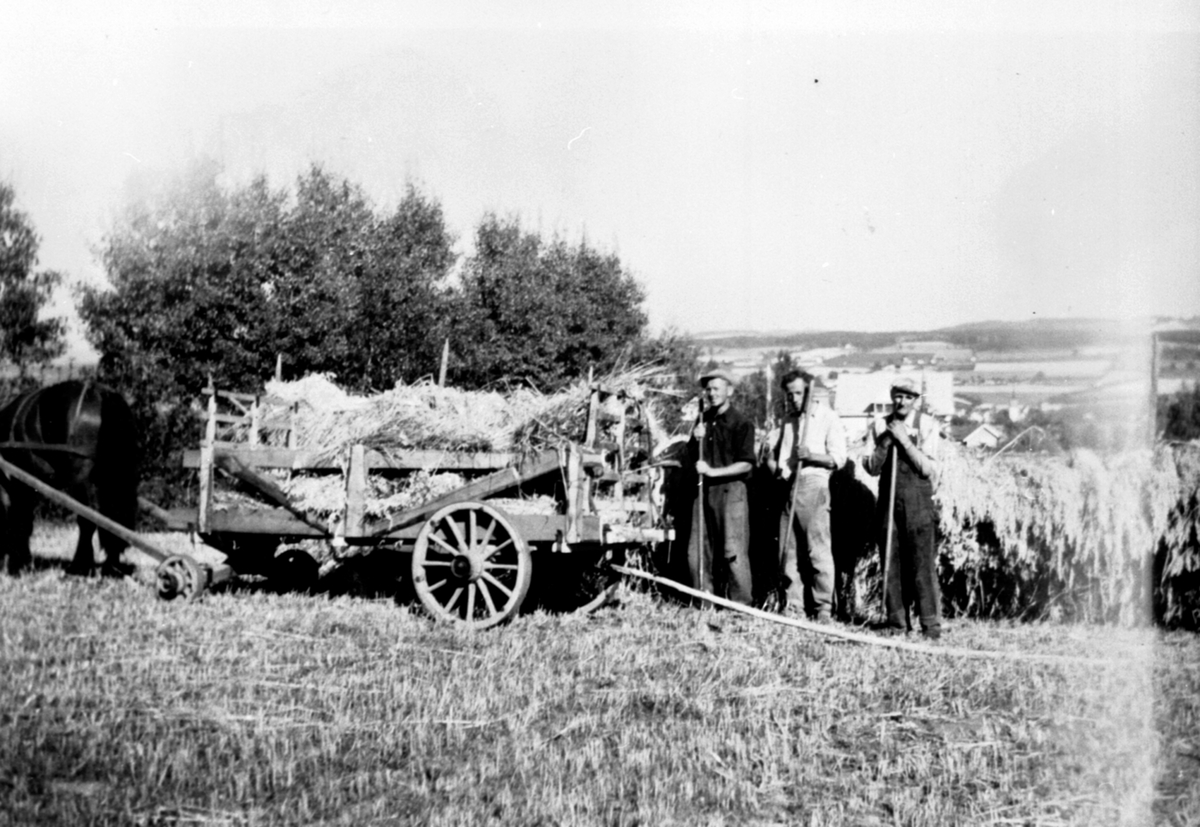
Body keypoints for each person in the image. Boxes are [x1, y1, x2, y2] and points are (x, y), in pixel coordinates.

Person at [862, 375, 943, 639]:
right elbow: (871, 467)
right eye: (898, 395)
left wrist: (905, 440)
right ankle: (897, 623)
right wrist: (886, 441)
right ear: (891, 396)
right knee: (891, 563)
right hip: (888, 503)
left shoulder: (927, 425)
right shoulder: (878, 425)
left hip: (918, 503)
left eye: (908, 397)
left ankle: (930, 626)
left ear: (916, 400)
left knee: (921, 566)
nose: (902, 401)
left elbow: (928, 468)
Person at [765, 371, 847, 622]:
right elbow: (780, 462)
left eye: (799, 393)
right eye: (789, 394)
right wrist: (773, 464)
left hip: (814, 483)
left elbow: (838, 459)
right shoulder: (788, 421)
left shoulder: (827, 417)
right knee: (788, 551)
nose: (794, 398)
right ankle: (794, 606)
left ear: (810, 393)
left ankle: (823, 607)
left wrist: (811, 455)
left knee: (817, 550)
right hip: (791, 486)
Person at [687, 369, 755, 605]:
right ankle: (703, 601)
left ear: (730, 391)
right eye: (708, 389)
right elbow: (691, 459)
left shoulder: (741, 423)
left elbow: (746, 464)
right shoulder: (703, 420)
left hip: (731, 491)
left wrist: (714, 472)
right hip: (703, 491)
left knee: (733, 551)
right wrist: (696, 439)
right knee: (697, 550)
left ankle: (741, 607)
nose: (711, 393)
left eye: (716, 388)